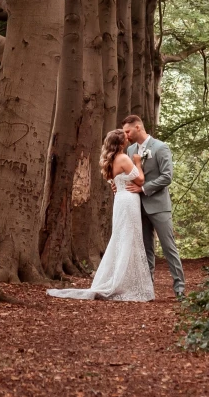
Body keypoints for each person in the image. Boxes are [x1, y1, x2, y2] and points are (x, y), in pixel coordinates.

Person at [46, 129, 155, 301]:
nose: (127, 141)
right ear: (120, 143)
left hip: (119, 199)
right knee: (129, 237)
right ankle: (122, 281)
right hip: (128, 200)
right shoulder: (124, 158)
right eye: (125, 139)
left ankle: (123, 279)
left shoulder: (109, 161)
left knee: (121, 237)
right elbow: (140, 180)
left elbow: (115, 182)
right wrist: (138, 163)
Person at [121, 114, 186, 298]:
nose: (126, 136)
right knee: (146, 248)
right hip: (138, 206)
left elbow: (167, 176)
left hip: (158, 205)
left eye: (128, 131)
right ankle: (148, 288)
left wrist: (143, 188)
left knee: (168, 247)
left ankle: (179, 288)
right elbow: (130, 173)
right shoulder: (130, 149)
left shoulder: (160, 147)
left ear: (138, 127)